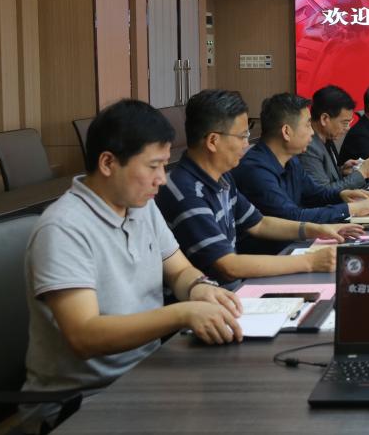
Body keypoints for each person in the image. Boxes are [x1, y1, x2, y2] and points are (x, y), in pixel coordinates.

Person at [20, 100, 242, 430]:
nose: (162, 179)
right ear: (108, 162)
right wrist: (182, 313)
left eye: (164, 165)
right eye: (153, 166)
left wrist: (200, 288)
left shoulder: (141, 205)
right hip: (82, 401)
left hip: (146, 373)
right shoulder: (63, 229)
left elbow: (180, 270)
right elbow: (84, 335)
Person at [156, 90, 365, 282]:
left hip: (231, 289)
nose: (246, 144)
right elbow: (228, 266)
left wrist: (318, 230)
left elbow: (259, 223)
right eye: (242, 136)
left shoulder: (223, 177)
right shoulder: (186, 190)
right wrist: (310, 262)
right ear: (213, 141)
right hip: (219, 294)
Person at [232, 93, 369, 225]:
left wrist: (342, 195)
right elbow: (292, 217)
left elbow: (316, 194)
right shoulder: (256, 170)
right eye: (307, 125)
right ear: (286, 132)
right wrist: (350, 209)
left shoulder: (291, 160)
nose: (312, 132)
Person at [301, 85, 369, 190]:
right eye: (344, 122)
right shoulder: (309, 147)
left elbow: (326, 177)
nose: (348, 128)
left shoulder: (327, 138)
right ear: (324, 119)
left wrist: (341, 171)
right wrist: (362, 173)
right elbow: (322, 193)